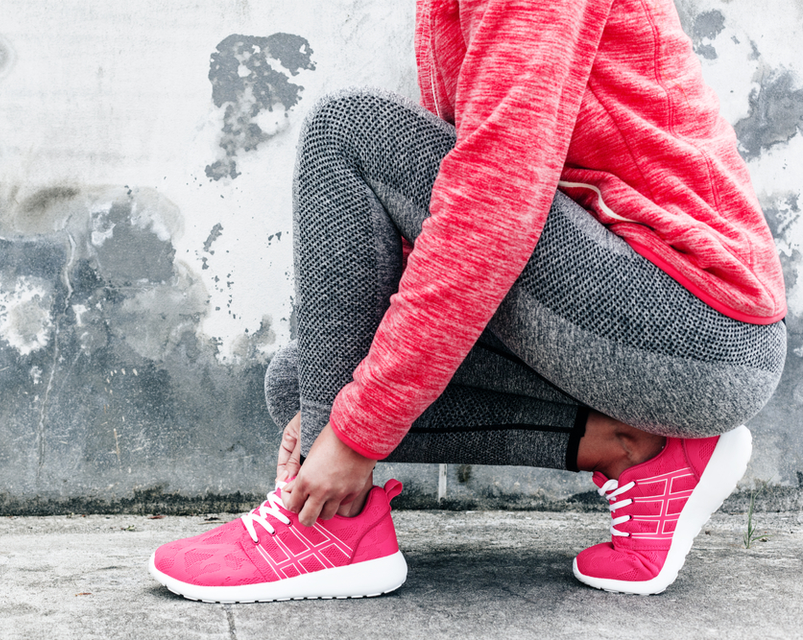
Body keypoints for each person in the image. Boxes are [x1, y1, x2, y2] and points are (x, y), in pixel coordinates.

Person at [149, 0, 786, 602]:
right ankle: (642, 450)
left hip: (699, 327)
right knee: (305, 381)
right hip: (642, 323)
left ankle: (327, 528)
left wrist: (351, 437)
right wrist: (337, 409)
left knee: (346, 132)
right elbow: (452, 208)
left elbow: (489, 214)